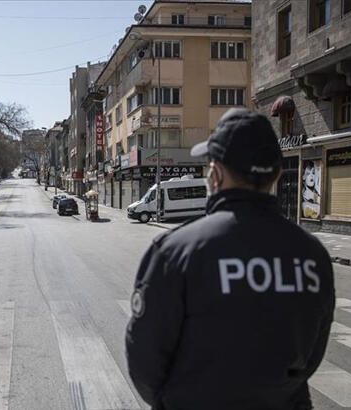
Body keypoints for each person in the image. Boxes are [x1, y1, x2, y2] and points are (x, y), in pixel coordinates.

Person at [126, 108, 335, 410]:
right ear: (276, 175)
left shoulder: (176, 251)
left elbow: (145, 356)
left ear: (216, 174)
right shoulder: (313, 255)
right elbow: (312, 353)